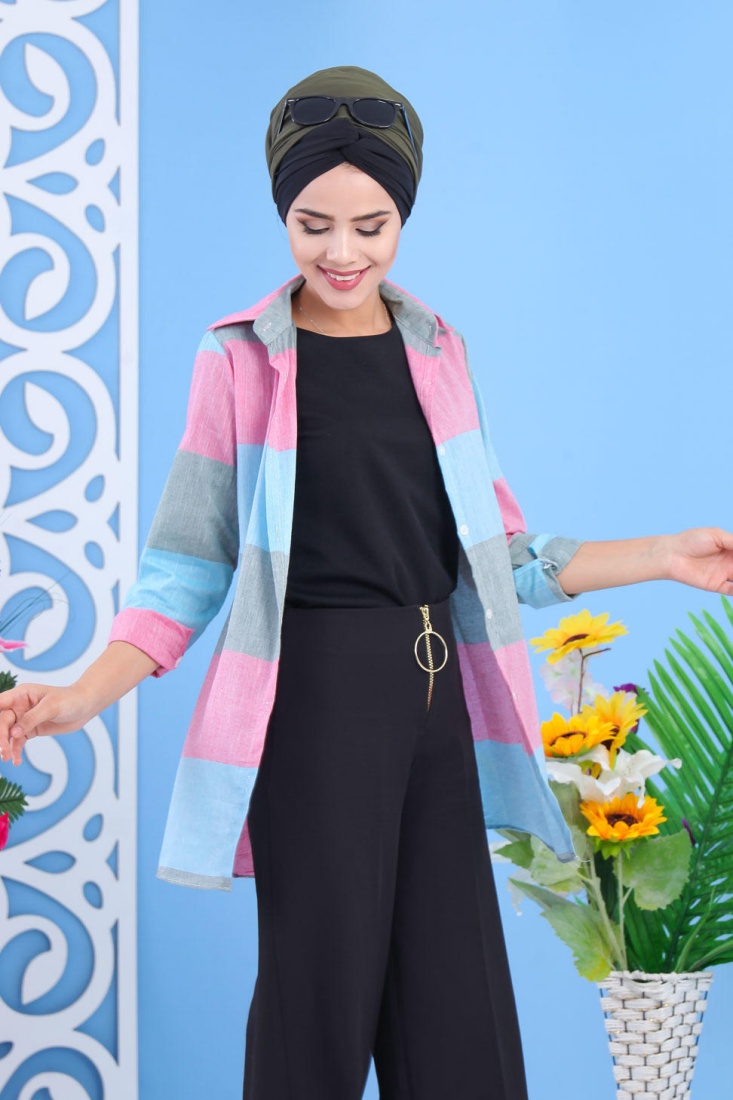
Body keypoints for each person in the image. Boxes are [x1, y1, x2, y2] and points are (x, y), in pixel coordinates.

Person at [1, 65, 732, 1100]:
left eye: (370, 225)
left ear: (403, 218)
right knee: (319, 1000)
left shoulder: (438, 350)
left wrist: (661, 555)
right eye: (313, 225)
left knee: (459, 1009)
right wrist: (83, 693)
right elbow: (187, 565)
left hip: (438, 702)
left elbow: (499, 554)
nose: (341, 252)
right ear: (283, 216)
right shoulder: (240, 360)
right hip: (315, 699)